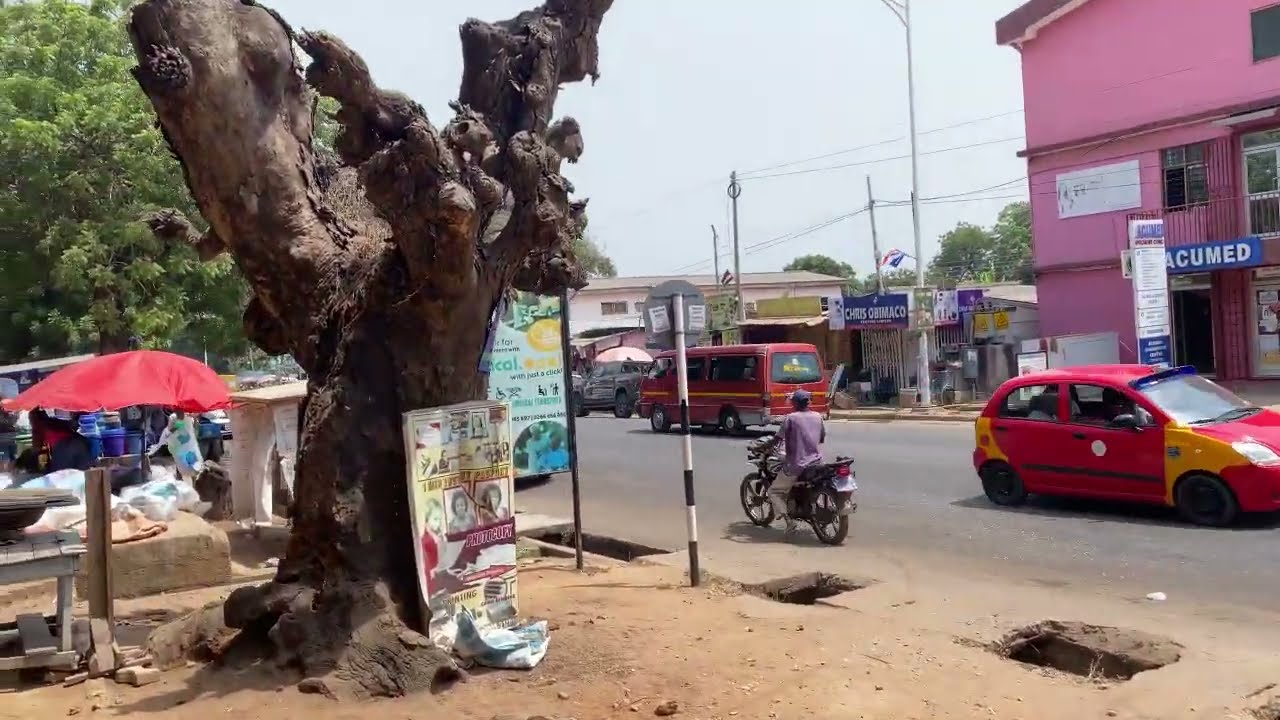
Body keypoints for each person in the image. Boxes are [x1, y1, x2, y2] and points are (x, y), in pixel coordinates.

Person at [763, 389, 826, 533]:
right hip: (816, 462)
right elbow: (821, 438)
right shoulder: (818, 416)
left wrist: (766, 447)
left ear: (795, 403)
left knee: (774, 491)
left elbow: (777, 439)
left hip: (797, 465)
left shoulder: (790, 418)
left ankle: (789, 522)